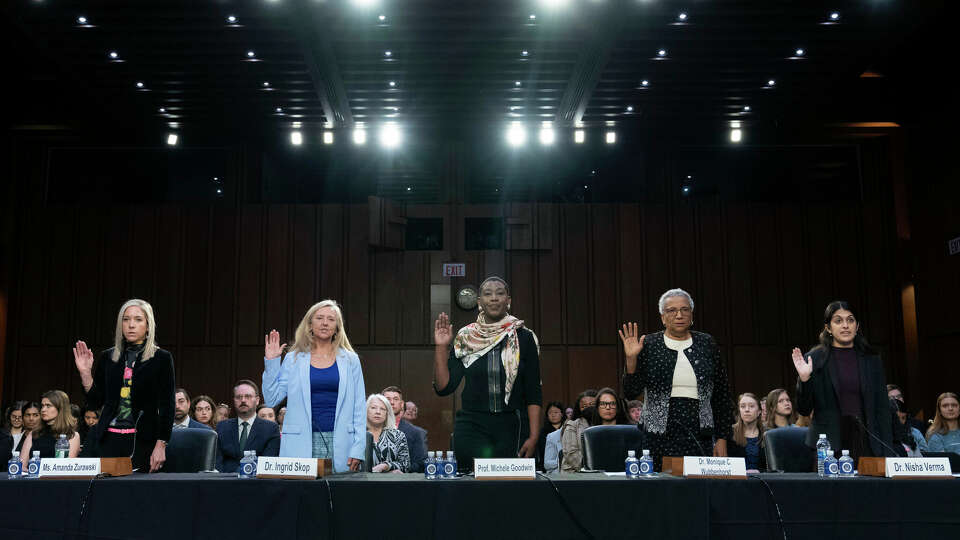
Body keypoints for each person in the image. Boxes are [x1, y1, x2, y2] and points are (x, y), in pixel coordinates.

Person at [433, 276, 543, 471]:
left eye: (500, 293)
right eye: (488, 294)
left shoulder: (524, 337)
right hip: (472, 426)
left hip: (512, 426)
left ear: (508, 300)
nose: (494, 298)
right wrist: (441, 347)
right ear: (479, 302)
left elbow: (534, 391)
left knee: (510, 494)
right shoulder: (466, 337)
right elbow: (444, 387)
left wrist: (534, 436)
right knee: (472, 493)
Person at [620, 288, 735, 471]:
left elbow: (721, 395)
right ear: (662, 317)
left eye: (685, 309)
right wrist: (631, 359)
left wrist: (722, 438)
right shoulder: (649, 344)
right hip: (658, 434)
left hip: (700, 432)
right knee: (662, 490)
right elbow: (630, 392)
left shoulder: (707, 343)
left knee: (699, 489)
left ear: (691, 314)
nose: (679, 315)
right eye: (671, 310)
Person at [262, 300, 366, 472]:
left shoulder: (350, 359)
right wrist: (272, 362)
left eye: (331, 319)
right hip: (300, 441)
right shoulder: (293, 358)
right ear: (310, 324)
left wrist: (358, 447)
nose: (325, 323)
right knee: (302, 496)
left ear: (337, 327)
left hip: (341, 442)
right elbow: (271, 398)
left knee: (338, 496)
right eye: (319, 318)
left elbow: (359, 406)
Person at [73, 299, 175, 472]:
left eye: (138, 319)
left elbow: (167, 406)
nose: (131, 325)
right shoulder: (108, 357)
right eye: (126, 319)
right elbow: (95, 403)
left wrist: (161, 444)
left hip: (143, 441)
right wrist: (85, 374)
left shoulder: (161, 358)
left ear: (148, 325)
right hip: (107, 439)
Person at [792, 300, 895, 462]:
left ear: (857, 326)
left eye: (850, 320)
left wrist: (887, 451)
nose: (845, 325)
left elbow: (881, 407)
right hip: (829, 445)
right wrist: (805, 380)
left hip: (867, 442)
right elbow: (804, 410)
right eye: (838, 321)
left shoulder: (871, 359)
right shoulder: (815, 358)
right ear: (828, 328)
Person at [216, 380, 281, 472]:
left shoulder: (270, 429)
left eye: (248, 396)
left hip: (256, 483)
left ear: (257, 400)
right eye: (238, 397)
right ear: (234, 400)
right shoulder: (222, 427)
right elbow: (217, 461)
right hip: (224, 481)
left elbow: (268, 463)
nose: (243, 400)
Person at [562, 388, 631, 472]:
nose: (608, 407)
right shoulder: (584, 427)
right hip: (580, 473)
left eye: (612, 404)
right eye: (603, 404)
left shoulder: (627, 428)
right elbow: (572, 456)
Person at [20, 390, 81, 461]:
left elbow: (66, 467)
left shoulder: (71, 435)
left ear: (60, 408)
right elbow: (22, 465)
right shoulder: (34, 433)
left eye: (48, 406)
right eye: (42, 406)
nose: (43, 410)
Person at [382, 386, 428, 473]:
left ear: (402, 404)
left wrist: (399, 470)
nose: (391, 402)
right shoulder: (371, 431)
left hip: (403, 482)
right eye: (388, 399)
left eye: (395, 399)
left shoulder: (415, 433)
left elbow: (420, 464)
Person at [366, 394, 410, 473]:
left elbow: (405, 465)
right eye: (373, 408)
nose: (378, 412)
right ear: (366, 410)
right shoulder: (357, 435)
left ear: (387, 413)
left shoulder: (398, 435)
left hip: (390, 482)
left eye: (382, 409)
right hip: (362, 482)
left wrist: (386, 466)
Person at [558, 390, 597, 472]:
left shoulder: (604, 423)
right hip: (575, 473)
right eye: (584, 406)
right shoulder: (572, 424)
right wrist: (592, 467)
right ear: (578, 408)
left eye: (592, 404)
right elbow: (571, 454)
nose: (588, 408)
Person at [727, 393, 766, 472]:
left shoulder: (767, 434)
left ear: (759, 411)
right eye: (742, 406)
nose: (747, 410)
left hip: (764, 481)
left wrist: (760, 472)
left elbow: (773, 467)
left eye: (751, 406)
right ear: (739, 410)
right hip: (737, 481)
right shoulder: (729, 433)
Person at [536, 401, 565, 469]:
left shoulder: (567, 429)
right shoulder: (543, 432)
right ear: (547, 415)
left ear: (562, 414)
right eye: (550, 413)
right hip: (548, 468)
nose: (553, 415)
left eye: (556, 412)